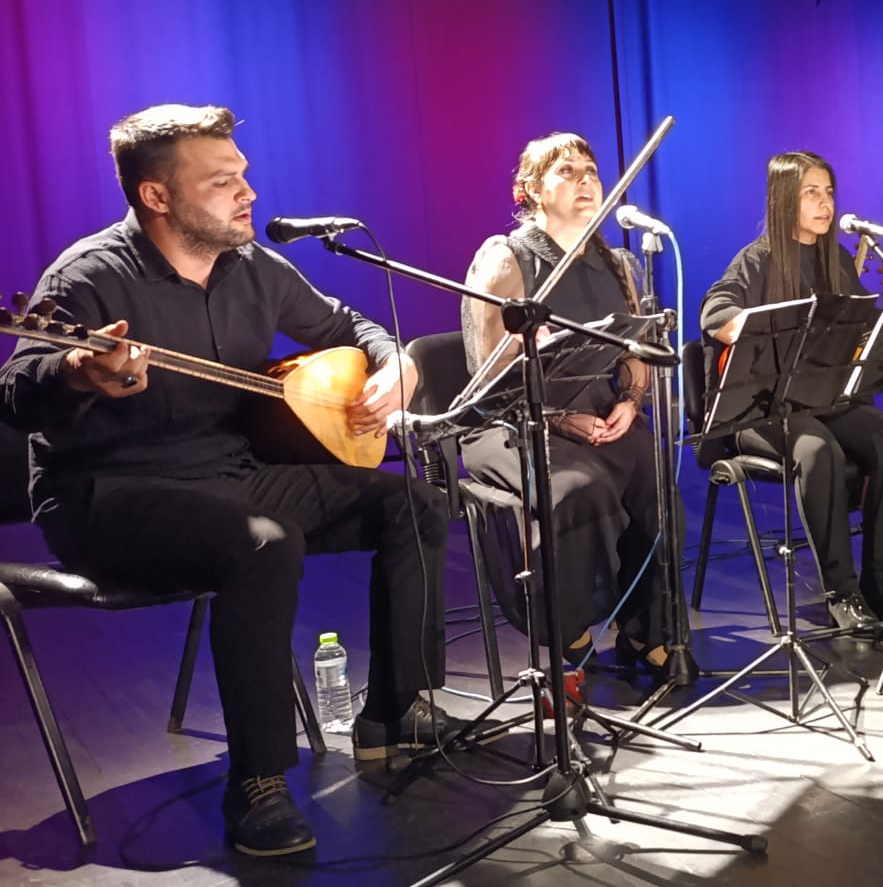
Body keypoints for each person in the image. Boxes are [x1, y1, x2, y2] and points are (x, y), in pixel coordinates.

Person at [0, 104, 450, 856]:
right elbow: (15, 393)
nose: (248, 193)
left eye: (243, 174)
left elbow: (351, 326)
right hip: (109, 495)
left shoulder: (253, 267)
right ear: (157, 195)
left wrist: (395, 363)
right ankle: (257, 783)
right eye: (222, 181)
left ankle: (397, 711)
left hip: (227, 474)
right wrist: (78, 370)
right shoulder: (89, 276)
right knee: (263, 544)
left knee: (415, 501)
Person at [460, 132, 675, 678]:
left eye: (591, 171)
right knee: (579, 486)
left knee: (653, 472)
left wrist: (631, 400)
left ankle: (645, 626)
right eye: (567, 171)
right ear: (531, 190)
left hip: (600, 413)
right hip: (515, 422)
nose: (585, 181)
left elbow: (633, 350)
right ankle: (569, 625)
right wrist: (559, 417)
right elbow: (490, 377)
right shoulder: (506, 258)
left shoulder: (615, 261)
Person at [699, 151, 883, 631]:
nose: (825, 203)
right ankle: (842, 592)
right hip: (760, 410)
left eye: (828, 192)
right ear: (783, 200)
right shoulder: (757, 259)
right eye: (811, 193)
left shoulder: (836, 259)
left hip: (823, 398)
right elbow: (715, 312)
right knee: (817, 450)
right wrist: (763, 331)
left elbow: (862, 327)